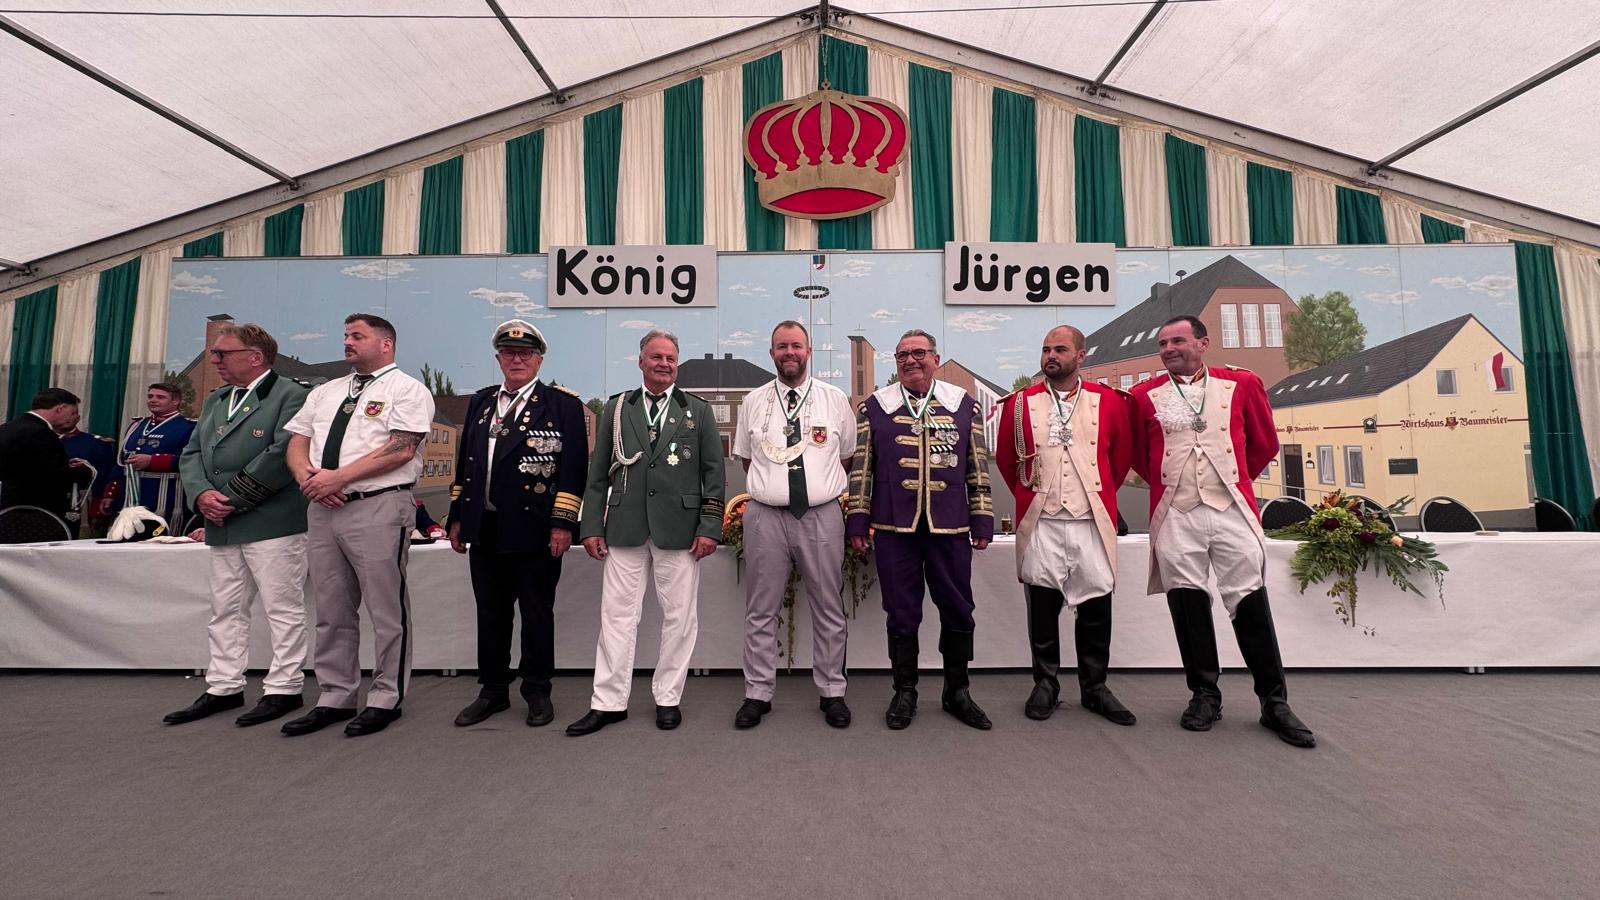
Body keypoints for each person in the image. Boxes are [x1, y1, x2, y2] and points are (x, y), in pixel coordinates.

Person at [1128, 315, 1315, 749]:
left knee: (1249, 599)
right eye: (1162, 343)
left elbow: (1264, 443)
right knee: (1188, 603)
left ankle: (1274, 702)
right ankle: (1204, 695)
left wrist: (1232, 482)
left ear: (1203, 343)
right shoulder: (1142, 395)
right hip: (1177, 513)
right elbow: (1140, 454)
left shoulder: (1242, 383)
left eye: (1178, 340)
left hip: (1231, 508)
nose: (1168, 348)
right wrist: (1172, 485)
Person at [280, 314, 435, 738]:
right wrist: (310, 481)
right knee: (331, 609)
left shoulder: (407, 389)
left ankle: (386, 696)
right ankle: (335, 695)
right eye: (346, 335)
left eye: (357, 336)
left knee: (386, 610)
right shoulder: (325, 392)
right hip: (323, 507)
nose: (347, 342)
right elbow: (298, 442)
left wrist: (338, 478)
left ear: (386, 344)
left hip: (378, 506)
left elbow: (401, 449)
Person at [567, 330, 724, 736]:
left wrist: (710, 526)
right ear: (640, 361)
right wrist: (591, 525)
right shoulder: (619, 408)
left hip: (680, 529)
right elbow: (598, 473)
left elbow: (714, 474)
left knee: (680, 618)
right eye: (656, 357)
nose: (664, 364)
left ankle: (668, 697)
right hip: (625, 526)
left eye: (670, 358)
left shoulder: (698, 411)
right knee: (616, 617)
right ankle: (608, 702)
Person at [846, 329, 995, 731]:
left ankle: (957, 691)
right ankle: (905, 691)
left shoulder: (963, 405)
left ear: (935, 358)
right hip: (894, 527)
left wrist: (982, 516)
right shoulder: (875, 406)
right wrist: (857, 518)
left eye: (919, 353)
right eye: (902, 355)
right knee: (900, 611)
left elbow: (977, 465)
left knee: (958, 608)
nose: (911, 360)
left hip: (951, 525)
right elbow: (862, 468)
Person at [165, 323, 312, 727]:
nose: (215, 360)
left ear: (255, 357)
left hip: (272, 521)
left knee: (282, 609)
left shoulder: (291, 395)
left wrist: (230, 498)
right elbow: (192, 452)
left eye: (223, 353)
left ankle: (284, 688)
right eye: (215, 353)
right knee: (225, 609)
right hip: (222, 522)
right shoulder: (217, 399)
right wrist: (201, 495)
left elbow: (283, 453)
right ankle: (224, 686)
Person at [446, 320, 588, 728]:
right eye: (509, 353)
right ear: (499, 359)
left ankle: (537, 690)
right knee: (490, 613)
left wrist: (563, 524)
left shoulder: (561, 405)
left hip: (535, 530)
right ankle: (492, 690)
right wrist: (457, 516)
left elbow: (573, 470)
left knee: (536, 614)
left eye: (525, 353)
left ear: (539, 360)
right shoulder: (481, 403)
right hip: (485, 527)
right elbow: (466, 464)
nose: (517, 360)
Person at [995, 326, 1137, 726]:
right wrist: (1033, 497)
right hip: (1043, 520)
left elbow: (1120, 457)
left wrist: (1096, 497)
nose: (1050, 356)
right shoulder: (1019, 403)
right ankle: (1046, 684)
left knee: (1096, 605)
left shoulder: (1110, 401)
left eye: (1060, 349)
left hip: (1090, 519)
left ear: (1081, 355)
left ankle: (1095, 688)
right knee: (1042, 607)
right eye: (1045, 349)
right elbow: (1007, 460)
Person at [730, 321, 855, 729]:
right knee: (760, 610)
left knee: (828, 606)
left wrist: (814, 488)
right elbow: (748, 459)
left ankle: (832, 691)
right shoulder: (753, 401)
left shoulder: (834, 400)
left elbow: (846, 457)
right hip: (765, 517)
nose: (789, 352)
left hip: (820, 515)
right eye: (781, 346)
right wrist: (776, 489)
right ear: (772, 353)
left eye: (796, 346)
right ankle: (758, 693)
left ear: (809, 351)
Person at [0, 388, 94, 522]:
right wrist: (85, 471)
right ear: (61, 408)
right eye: (72, 412)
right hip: (36, 515)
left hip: (7, 511)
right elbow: (53, 477)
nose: (72, 418)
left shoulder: (7, 428)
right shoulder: (41, 433)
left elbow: (29, 467)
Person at [118, 383, 197, 529]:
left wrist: (152, 461)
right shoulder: (136, 425)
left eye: (160, 397)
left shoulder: (189, 427)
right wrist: (109, 494)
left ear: (176, 401)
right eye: (150, 396)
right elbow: (120, 461)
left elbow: (193, 461)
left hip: (165, 498)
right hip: (129, 497)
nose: (153, 400)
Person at [52, 408, 120, 537]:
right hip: (48, 502)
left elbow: (104, 477)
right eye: (63, 414)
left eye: (72, 414)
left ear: (78, 418)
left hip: (82, 504)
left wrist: (97, 509)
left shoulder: (96, 443)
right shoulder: (42, 440)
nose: (68, 418)